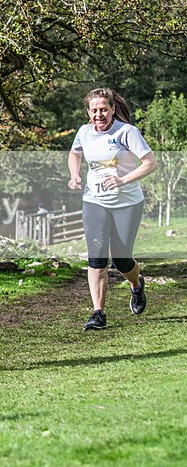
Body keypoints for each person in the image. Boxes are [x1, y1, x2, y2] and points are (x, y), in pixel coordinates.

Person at [67, 87, 158, 330]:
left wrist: (123, 180)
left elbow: (150, 163)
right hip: (94, 201)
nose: (99, 114)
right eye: (94, 110)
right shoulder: (84, 132)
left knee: (121, 259)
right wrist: (75, 175)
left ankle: (137, 285)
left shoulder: (127, 132)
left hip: (127, 203)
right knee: (96, 258)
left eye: (103, 109)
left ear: (112, 109)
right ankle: (98, 313)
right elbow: (74, 153)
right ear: (88, 112)